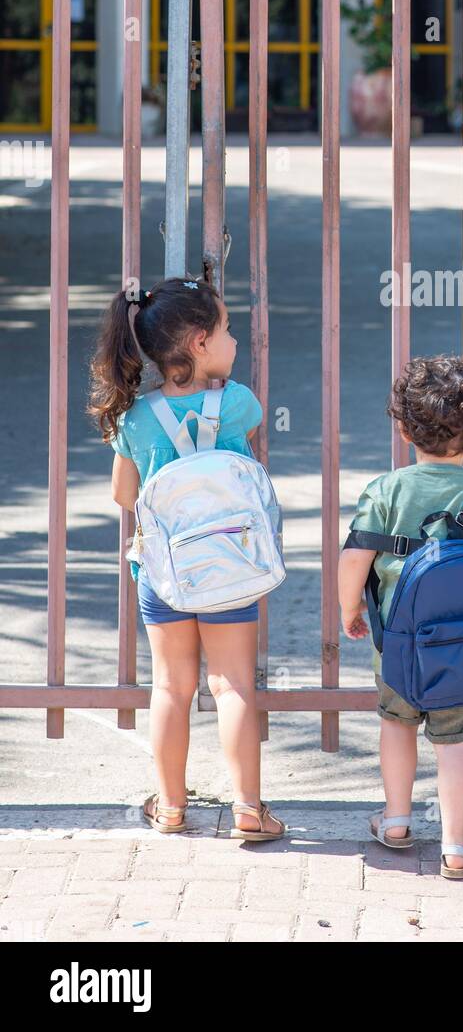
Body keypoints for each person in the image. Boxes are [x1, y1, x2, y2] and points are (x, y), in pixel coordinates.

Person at [88, 277, 284, 841]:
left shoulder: (135, 418)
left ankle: (171, 807)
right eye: (226, 329)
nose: (234, 339)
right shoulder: (240, 402)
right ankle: (248, 809)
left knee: (171, 688)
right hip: (231, 567)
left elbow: (125, 496)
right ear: (200, 342)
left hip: (163, 571)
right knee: (233, 688)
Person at [338, 355, 463, 877]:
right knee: (456, 743)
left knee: (396, 725)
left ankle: (397, 820)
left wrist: (350, 607)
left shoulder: (386, 491)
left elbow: (354, 558)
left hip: (398, 646)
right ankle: (455, 845)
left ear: (402, 427)